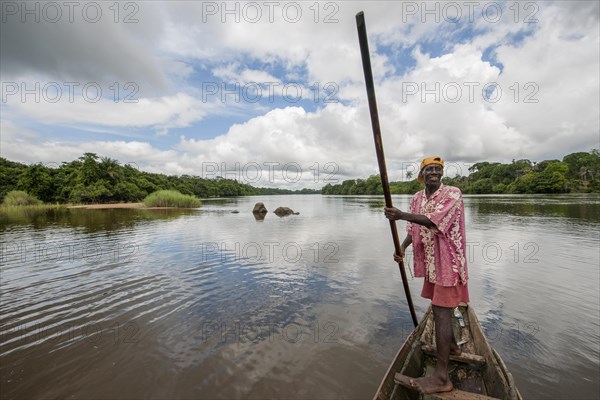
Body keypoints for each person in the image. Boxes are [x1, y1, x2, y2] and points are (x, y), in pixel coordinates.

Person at [384, 156, 469, 394]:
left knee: (442, 311)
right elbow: (414, 229)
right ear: (422, 174)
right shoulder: (417, 198)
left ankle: (442, 378)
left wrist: (400, 215)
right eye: (429, 169)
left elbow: (434, 221)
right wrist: (402, 247)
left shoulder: (453, 193)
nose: (434, 172)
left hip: (448, 261)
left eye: (438, 169)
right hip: (431, 262)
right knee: (439, 306)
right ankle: (452, 347)